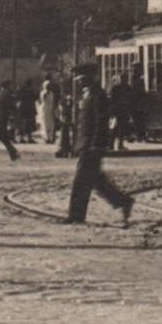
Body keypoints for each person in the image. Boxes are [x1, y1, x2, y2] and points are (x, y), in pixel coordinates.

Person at [65, 63, 133, 227]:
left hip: (92, 145)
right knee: (96, 180)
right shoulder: (88, 94)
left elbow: (100, 122)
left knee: (81, 180)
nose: (78, 82)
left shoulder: (97, 95)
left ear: (89, 78)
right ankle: (123, 201)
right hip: (86, 144)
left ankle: (76, 216)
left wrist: (96, 143)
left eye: (81, 79)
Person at [37, 76, 59, 145]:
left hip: (50, 108)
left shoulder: (52, 93)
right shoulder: (43, 93)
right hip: (45, 108)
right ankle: (47, 138)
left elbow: (54, 100)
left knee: (51, 123)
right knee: (45, 123)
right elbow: (42, 99)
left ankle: (51, 137)